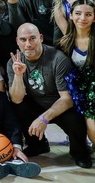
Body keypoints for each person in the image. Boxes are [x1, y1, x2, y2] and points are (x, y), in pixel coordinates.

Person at [7, 23, 91, 168]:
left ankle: (80, 152)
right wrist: (18, 76)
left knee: (74, 117)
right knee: (18, 107)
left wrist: (43, 118)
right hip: (36, 103)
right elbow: (16, 99)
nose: (28, 44)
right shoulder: (14, 62)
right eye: (23, 39)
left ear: (40, 38)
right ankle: (38, 145)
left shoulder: (58, 59)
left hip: (59, 105)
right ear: (17, 41)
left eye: (32, 38)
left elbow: (67, 99)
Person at [58, 0, 95, 146]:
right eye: (78, 13)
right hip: (77, 92)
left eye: (88, 14)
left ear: (94, 18)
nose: (82, 18)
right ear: (71, 16)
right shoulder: (65, 42)